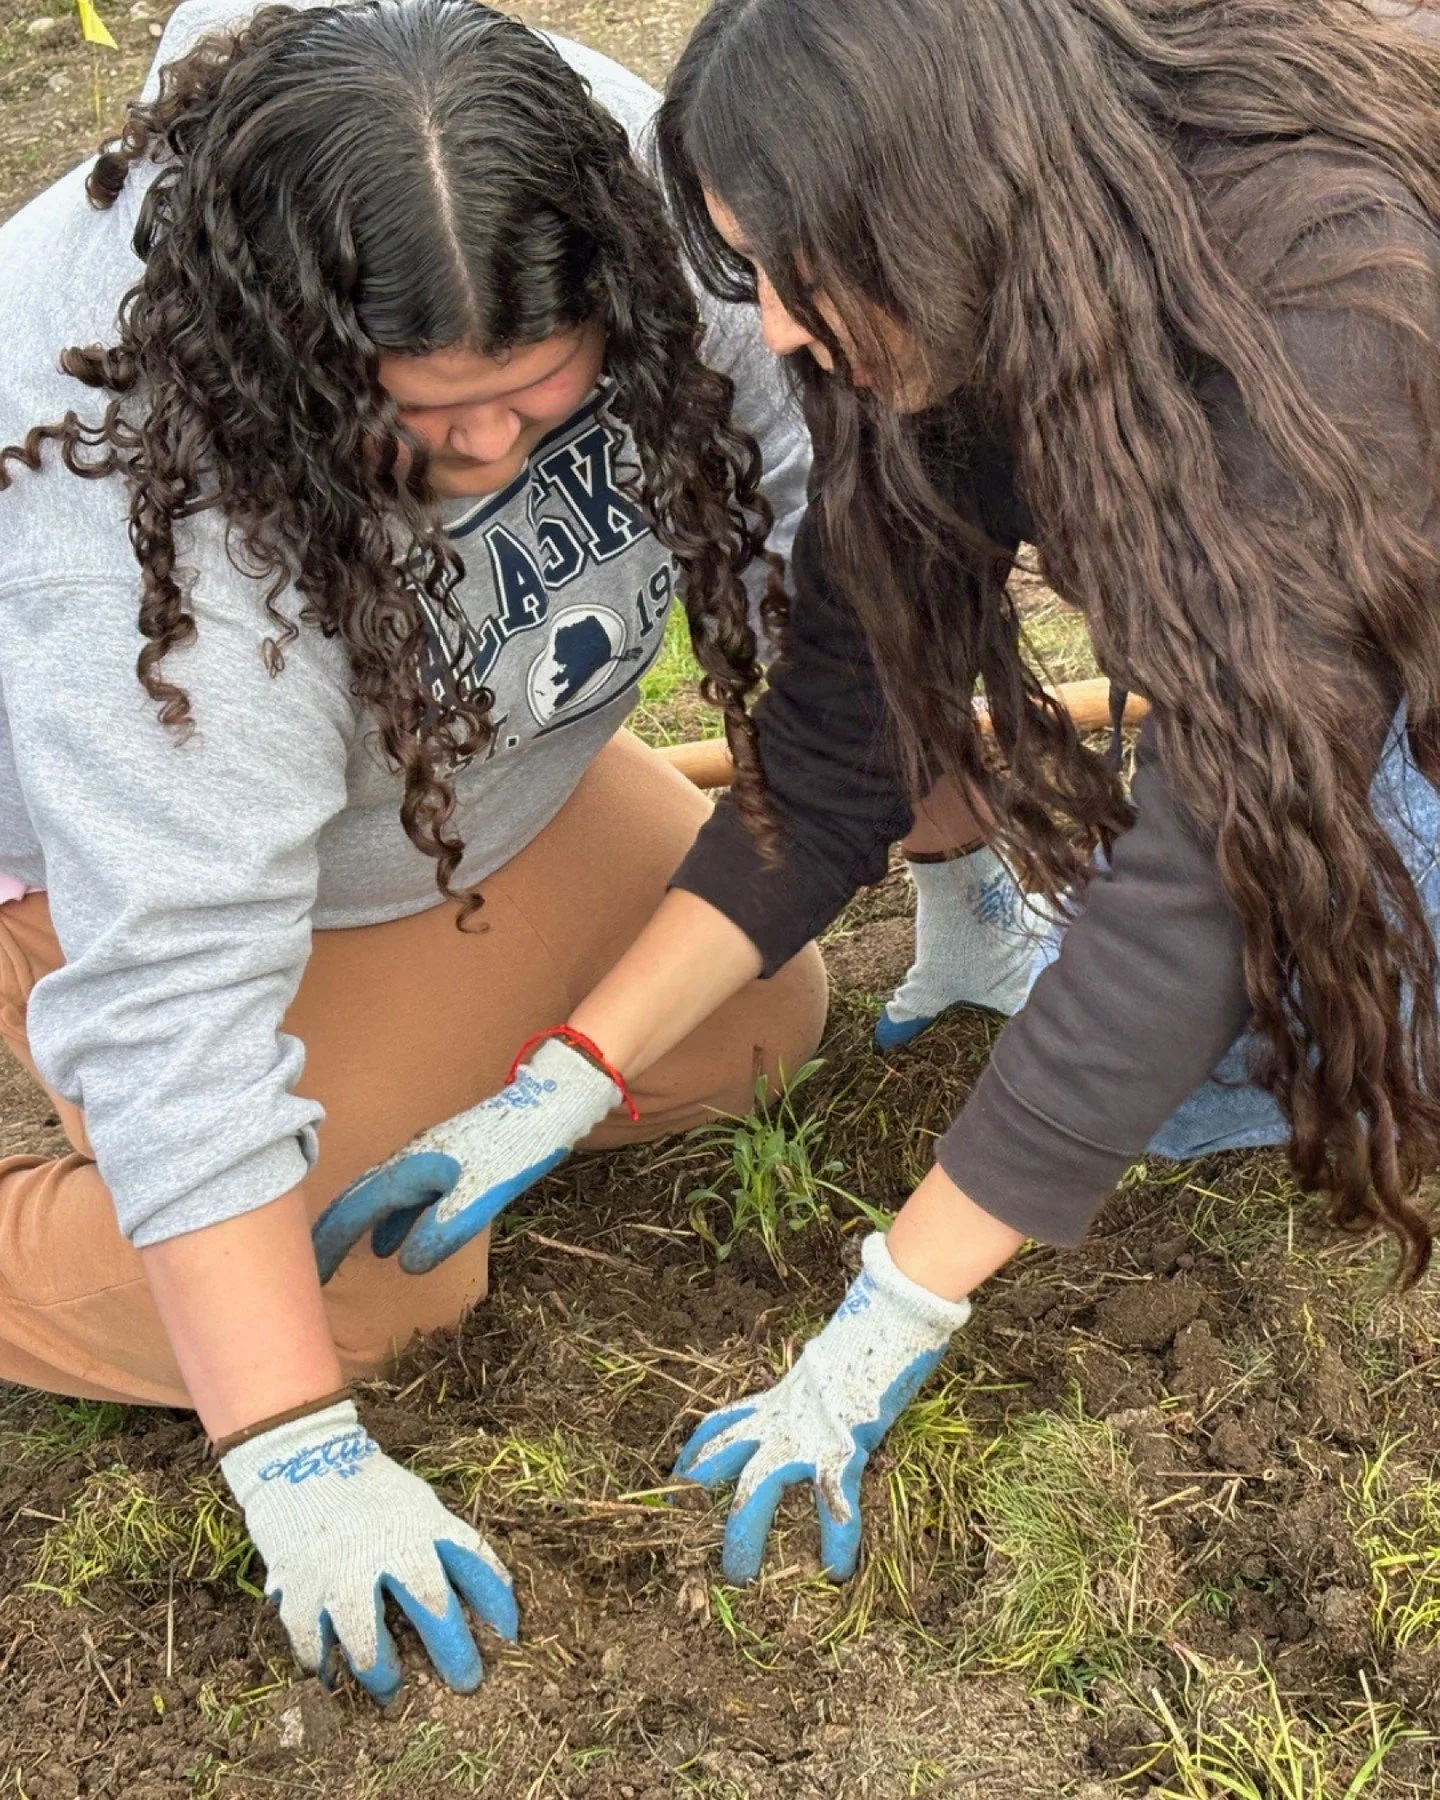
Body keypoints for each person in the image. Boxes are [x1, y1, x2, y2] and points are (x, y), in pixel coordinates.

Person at [317, 0, 1440, 1588]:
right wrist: (568, 1074)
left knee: (1302, 1038)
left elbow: (1210, 871)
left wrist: (888, 1311)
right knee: (1172, 1081)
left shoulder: (1324, 300)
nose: (773, 327)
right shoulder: (950, 312)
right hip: (1323, 643)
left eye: (796, 267)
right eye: (748, 270)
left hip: (1406, 616)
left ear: (928, 194)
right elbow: (844, 739)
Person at [0, 0, 826, 1702]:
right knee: (364, 1304)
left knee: (756, 1021)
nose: (491, 458)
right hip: (136, 862)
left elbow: (809, 523)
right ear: (281, 362)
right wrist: (293, 1449)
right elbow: (178, 1005)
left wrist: (943, 848)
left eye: (538, 404)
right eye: (426, 425)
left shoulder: (620, 195)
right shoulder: (130, 535)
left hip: (456, 783)